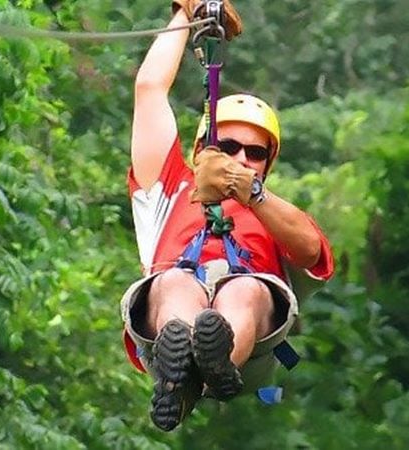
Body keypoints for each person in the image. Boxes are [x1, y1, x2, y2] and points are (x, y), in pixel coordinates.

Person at [120, 0, 335, 432]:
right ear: (203, 149)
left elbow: (311, 251)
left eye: (254, 153)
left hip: (250, 344)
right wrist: (187, 12)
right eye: (229, 147)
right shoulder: (169, 187)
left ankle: (212, 359)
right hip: (167, 314)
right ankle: (181, 369)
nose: (241, 159)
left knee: (245, 289)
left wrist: (249, 192)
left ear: (266, 166)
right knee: (176, 282)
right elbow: (149, 89)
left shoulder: (273, 212)